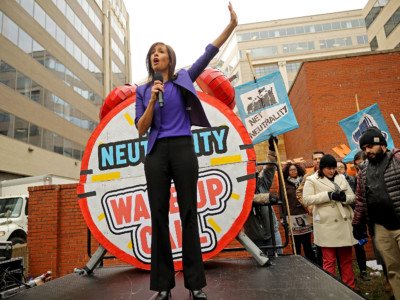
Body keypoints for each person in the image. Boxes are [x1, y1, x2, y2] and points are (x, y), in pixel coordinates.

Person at [134, 3, 238, 300]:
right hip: (155, 154)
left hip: (182, 149)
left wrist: (230, 26)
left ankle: (195, 284)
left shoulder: (183, 80)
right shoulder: (143, 91)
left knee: (190, 213)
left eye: (161, 51)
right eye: (152, 52)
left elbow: (208, 54)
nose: (156, 55)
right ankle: (164, 286)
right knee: (158, 216)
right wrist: (153, 100)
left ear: (170, 58)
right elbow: (141, 129)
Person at [352, 127, 400, 299]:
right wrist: (357, 222)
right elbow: (360, 199)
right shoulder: (363, 170)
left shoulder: (397, 158)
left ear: (382, 144)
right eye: (364, 148)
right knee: (393, 269)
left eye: (370, 146)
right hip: (381, 228)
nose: (367, 151)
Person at [303, 154, 357, 289]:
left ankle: (350, 287)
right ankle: (331, 289)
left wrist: (344, 198)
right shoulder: (311, 180)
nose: (332, 171)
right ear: (321, 168)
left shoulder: (341, 178)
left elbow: (353, 197)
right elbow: (307, 199)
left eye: (334, 168)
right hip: (326, 224)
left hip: (343, 222)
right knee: (329, 260)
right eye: (328, 168)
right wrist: (328, 195)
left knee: (346, 260)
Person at [243, 136, 283, 257]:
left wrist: (272, 148)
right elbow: (245, 201)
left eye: (254, 175)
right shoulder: (240, 190)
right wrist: (265, 198)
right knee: (258, 267)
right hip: (254, 234)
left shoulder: (261, 183)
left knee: (280, 262)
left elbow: (269, 169)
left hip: (272, 231)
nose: (253, 178)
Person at [336, 160, 370, 281]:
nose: (339, 169)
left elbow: (358, 195)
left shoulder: (352, 179)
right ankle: (345, 275)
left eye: (341, 167)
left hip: (356, 214)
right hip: (342, 217)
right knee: (343, 247)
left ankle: (363, 270)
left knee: (359, 245)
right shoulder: (334, 182)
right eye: (337, 167)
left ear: (345, 169)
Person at [282, 162, 315, 262]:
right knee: (295, 245)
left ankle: (312, 263)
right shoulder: (284, 184)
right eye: (291, 170)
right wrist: (282, 217)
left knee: (307, 243)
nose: (293, 172)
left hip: (304, 214)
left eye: (294, 169)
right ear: (287, 172)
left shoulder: (304, 181)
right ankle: (297, 264)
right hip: (291, 216)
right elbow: (282, 201)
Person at [297, 151, 324, 266]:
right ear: (312, 161)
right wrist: (309, 207)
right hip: (316, 215)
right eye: (315, 159)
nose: (318, 161)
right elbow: (299, 192)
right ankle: (322, 265)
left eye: (320, 158)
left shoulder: (332, 172)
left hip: (331, 214)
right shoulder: (308, 176)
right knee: (319, 242)